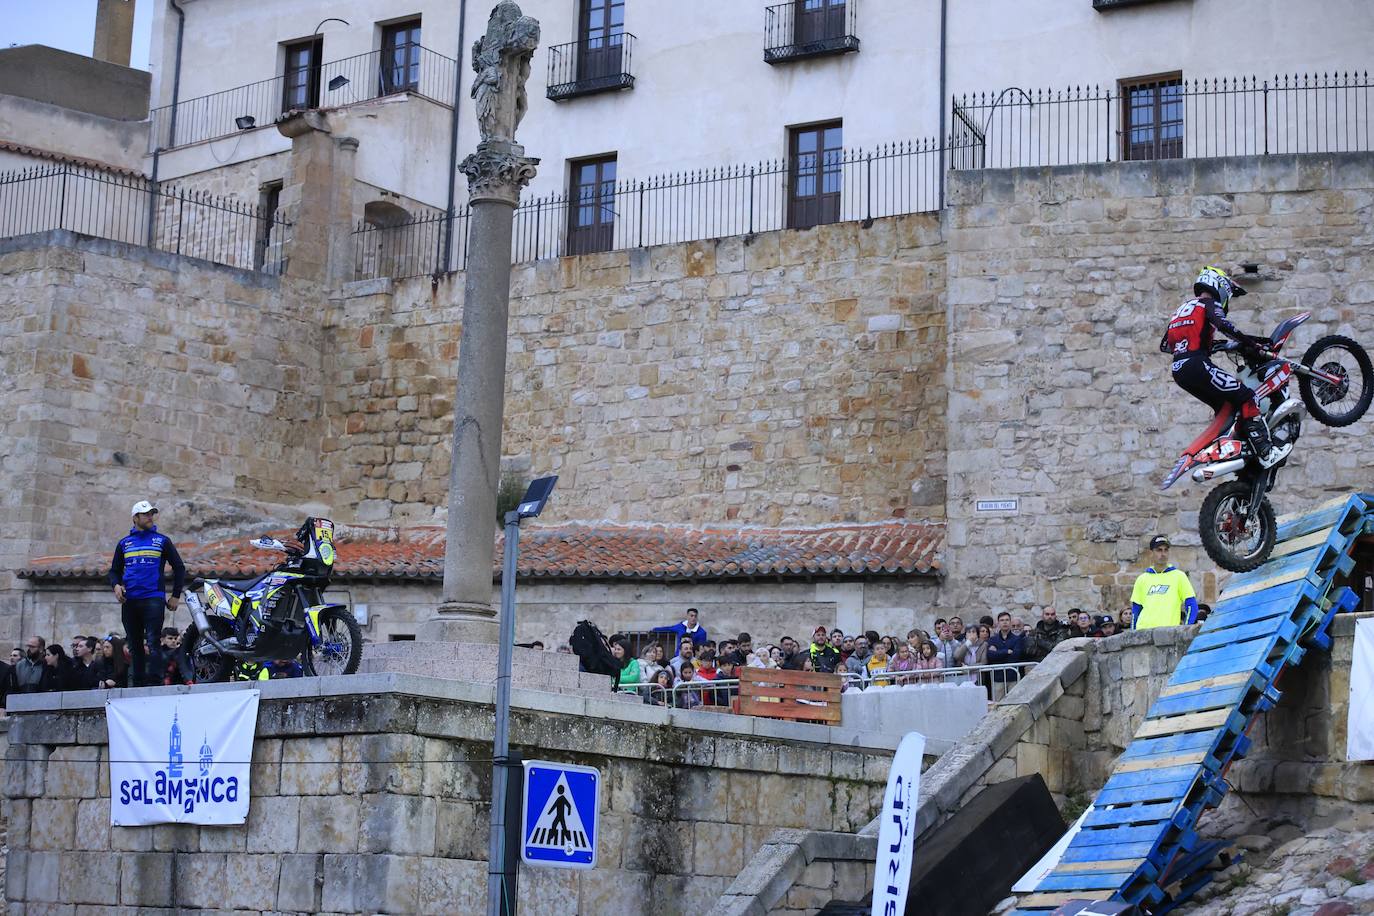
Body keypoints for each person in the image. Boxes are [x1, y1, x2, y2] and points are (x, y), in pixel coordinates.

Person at [1160, 265, 1274, 460]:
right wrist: (1251, 344)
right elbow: (1224, 325)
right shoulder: (1209, 304)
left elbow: (1165, 346)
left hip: (1179, 371)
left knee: (1226, 406)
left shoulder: (1181, 310)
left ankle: (1231, 443)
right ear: (1220, 287)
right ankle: (1263, 447)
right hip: (1197, 365)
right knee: (1248, 396)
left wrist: (1205, 345)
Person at [109, 500, 186, 688]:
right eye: (146, 514)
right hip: (130, 600)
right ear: (135, 518)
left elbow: (179, 567)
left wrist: (176, 595)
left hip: (153, 598)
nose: (150, 517)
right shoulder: (124, 543)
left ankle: (154, 684)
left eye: (152, 514)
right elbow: (114, 571)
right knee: (134, 644)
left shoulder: (162, 541)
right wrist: (116, 586)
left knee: (153, 641)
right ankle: (137, 685)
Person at [1131, 536, 1199, 630]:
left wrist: (1186, 628)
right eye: (1159, 550)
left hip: (1168, 632)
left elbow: (1192, 605)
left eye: (1166, 550)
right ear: (1151, 553)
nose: (1163, 554)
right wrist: (1133, 635)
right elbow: (1136, 611)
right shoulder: (1142, 579)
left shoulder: (1179, 576)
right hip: (1142, 631)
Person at [986, 612, 1026, 690]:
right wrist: (1006, 651)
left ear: (1010, 622)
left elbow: (1015, 656)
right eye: (1002, 620)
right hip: (998, 678)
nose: (1005, 622)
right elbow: (990, 656)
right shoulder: (992, 640)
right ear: (998, 623)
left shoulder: (1017, 639)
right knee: (998, 701)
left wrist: (997, 652)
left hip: (1013, 678)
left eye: (1007, 620)